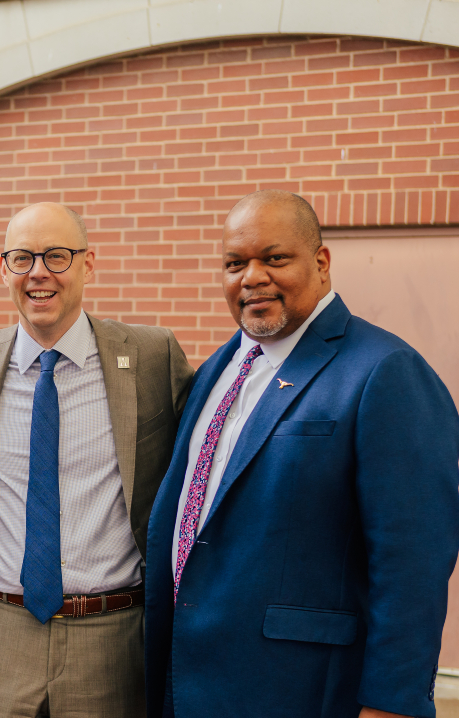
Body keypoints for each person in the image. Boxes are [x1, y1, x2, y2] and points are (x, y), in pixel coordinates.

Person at [145, 190, 459, 718]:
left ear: (321, 262)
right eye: (234, 263)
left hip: (300, 689)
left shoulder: (385, 371)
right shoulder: (216, 373)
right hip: (188, 680)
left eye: (274, 258)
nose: (252, 277)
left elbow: (412, 562)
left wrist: (393, 703)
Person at [0, 203, 194, 717]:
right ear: (3, 268)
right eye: (22, 258)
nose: (39, 272)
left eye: (57, 256)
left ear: (88, 264)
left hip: (112, 637)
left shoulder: (151, 356)